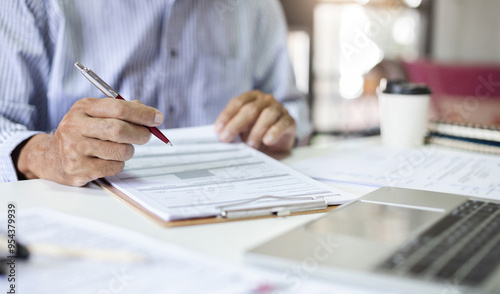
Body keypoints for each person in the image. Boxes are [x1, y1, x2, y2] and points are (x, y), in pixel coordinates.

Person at [0, 0, 311, 186]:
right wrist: (45, 154)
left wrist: (282, 128)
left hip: (230, 213)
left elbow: (293, 111)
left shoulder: (255, 6)